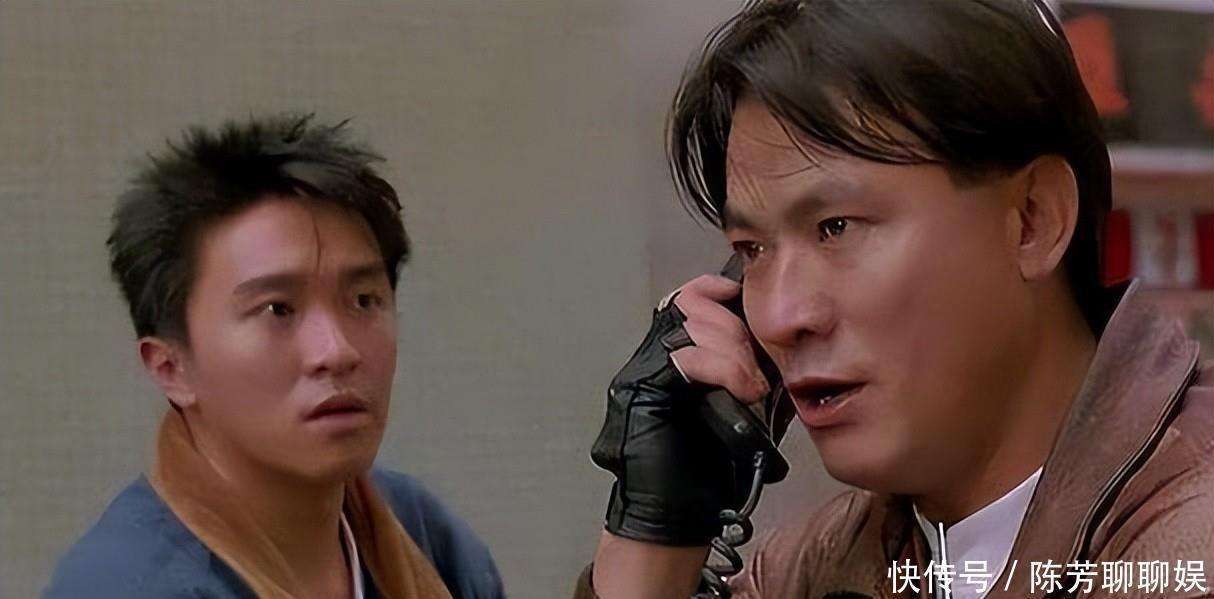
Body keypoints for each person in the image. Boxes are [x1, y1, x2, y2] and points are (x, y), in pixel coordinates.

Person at [578, 1, 1214, 598]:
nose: (778, 316)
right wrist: (656, 525)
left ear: (1032, 220)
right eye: (752, 250)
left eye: (836, 228)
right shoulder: (824, 563)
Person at [45, 115, 505, 599]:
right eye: (277, 310)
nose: (337, 351)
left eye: (363, 301)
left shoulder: (425, 534)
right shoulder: (126, 586)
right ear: (171, 367)